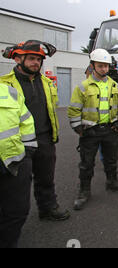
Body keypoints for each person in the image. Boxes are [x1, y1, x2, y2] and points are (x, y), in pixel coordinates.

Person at [0, 40, 70, 221]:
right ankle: (12, 222)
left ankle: (48, 209)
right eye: (31, 59)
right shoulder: (5, 85)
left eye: (39, 60)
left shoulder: (46, 82)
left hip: (45, 138)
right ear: (17, 59)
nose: (36, 63)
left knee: (46, 178)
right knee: (16, 186)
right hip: (19, 143)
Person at [68, 48, 118, 211]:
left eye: (106, 66)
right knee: (86, 163)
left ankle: (112, 182)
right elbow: (73, 109)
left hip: (110, 130)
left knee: (111, 159)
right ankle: (84, 191)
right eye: (100, 66)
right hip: (90, 132)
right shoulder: (83, 87)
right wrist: (78, 128)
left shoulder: (115, 86)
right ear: (93, 65)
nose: (104, 69)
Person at [0, 83, 37, 248]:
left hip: (15, 162)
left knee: (18, 210)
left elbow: (26, 121)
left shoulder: (9, 92)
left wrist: (28, 152)